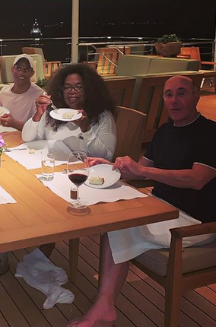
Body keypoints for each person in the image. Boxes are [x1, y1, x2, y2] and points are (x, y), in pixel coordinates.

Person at [70, 75, 216, 327]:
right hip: (160, 208)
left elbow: (197, 179)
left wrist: (143, 171)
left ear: (196, 97)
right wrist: (111, 165)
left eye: (181, 93)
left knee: (118, 224)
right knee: (112, 215)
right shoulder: (165, 131)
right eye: (169, 94)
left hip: (194, 222)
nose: (174, 100)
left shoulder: (210, 132)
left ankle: (104, 306)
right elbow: (139, 171)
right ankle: (104, 304)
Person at [22, 63, 117, 160]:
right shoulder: (54, 112)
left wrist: (86, 129)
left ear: (89, 90)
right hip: (55, 165)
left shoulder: (102, 116)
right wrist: (38, 114)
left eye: (79, 87)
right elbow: (28, 139)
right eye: (67, 87)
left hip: (85, 168)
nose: (72, 91)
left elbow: (106, 156)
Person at [0, 54, 44, 130]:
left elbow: (38, 129)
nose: (21, 73)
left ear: (32, 73)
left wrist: (14, 124)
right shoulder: (4, 91)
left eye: (26, 70)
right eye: (18, 69)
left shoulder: (39, 96)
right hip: (4, 135)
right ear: (12, 69)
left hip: (24, 137)